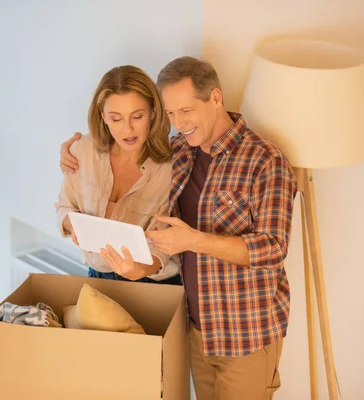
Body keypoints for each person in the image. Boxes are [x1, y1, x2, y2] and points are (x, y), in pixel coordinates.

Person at [60, 56, 297, 399]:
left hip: (246, 332)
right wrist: (70, 149)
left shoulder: (265, 161)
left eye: (185, 111)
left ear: (215, 98)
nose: (178, 123)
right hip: (197, 330)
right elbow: (122, 153)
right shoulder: (179, 152)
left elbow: (273, 248)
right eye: (170, 114)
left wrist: (195, 240)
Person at [55, 65, 181, 285]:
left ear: (153, 112)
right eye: (116, 119)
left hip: (152, 282)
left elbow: (163, 243)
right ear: (102, 116)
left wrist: (137, 270)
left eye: (137, 116)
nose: (128, 130)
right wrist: (74, 226)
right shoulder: (81, 151)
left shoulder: (170, 168)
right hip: (97, 275)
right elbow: (64, 207)